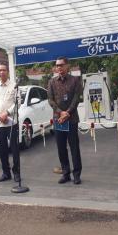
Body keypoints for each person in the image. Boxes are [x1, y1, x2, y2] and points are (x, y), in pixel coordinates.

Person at [47, 57, 83, 185]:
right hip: (59, 120)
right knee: (61, 148)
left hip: (71, 119)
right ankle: (66, 173)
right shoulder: (52, 82)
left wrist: (67, 112)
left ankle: (77, 174)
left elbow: (76, 98)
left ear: (67, 66)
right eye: (57, 66)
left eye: (61, 65)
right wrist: (60, 112)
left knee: (74, 147)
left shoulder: (75, 80)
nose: (59, 68)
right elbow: (50, 100)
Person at [0, 64, 20, 182]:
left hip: (11, 122)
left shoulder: (14, 86)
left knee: (15, 149)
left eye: (4, 70)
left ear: (7, 72)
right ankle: (6, 173)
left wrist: (6, 113)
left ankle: (16, 173)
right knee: (2, 149)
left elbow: (18, 103)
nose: (2, 72)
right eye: (0, 70)